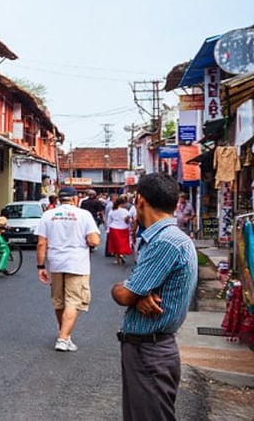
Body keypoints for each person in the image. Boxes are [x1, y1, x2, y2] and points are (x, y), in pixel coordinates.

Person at [111, 173, 199, 421]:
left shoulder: (165, 242)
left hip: (150, 351)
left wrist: (125, 291)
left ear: (139, 200)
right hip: (152, 349)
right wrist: (136, 295)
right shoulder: (171, 238)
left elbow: (125, 294)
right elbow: (134, 293)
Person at [35, 186, 101, 352]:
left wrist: (41, 266)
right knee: (73, 300)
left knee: (59, 301)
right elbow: (94, 240)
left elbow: (41, 243)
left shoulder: (48, 215)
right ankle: (63, 339)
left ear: (58, 199)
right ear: (75, 198)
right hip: (77, 263)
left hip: (56, 263)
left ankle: (65, 334)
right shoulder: (83, 215)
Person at [106, 196, 134, 265]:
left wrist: (108, 229)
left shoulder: (112, 211)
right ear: (122, 203)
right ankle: (122, 253)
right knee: (123, 243)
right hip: (124, 228)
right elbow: (129, 221)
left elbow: (109, 221)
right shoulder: (125, 211)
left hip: (114, 228)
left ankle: (116, 259)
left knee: (115, 244)